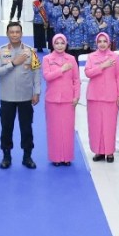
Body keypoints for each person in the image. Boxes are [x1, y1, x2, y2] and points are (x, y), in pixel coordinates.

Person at [0, 22, 41, 169]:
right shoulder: (0, 51)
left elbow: (36, 72)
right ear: (7, 34)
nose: (14, 35)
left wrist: (37, 92)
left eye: (17, 32)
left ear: (21, 34)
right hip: (7, 97)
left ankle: (27, 156)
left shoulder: (30, 51)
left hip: (25, 97)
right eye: (12, 32)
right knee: (6, 128)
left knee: (26, 128)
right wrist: (13, 63)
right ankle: (6, 156)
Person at [84, 32, 119, 163]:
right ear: (96, 43)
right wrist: (102, 66)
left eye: (104, 41)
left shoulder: (114, 57)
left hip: (110, 96)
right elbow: (88, 73)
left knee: (109, 125)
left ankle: (109, 151)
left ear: (109, 43)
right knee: (96, 125)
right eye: (99, 41)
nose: (102, 44)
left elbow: (118, 76)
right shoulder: (91, 57)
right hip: (94, 96)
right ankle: (98, 151)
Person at [43, 33, 80, 166]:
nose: (59, 46)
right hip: (52, 99)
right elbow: (47, 76)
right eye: (57, 43)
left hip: (68, 99)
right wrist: (62, 70)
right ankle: (56, 157)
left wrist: (76, 96)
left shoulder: (71, 59)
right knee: (54, 129)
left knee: (67, 129)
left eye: (62, 43)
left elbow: (76, 79)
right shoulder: (47, 59)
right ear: (53, 44)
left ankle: (67, 157)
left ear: (66, 44)